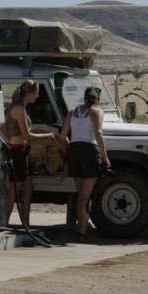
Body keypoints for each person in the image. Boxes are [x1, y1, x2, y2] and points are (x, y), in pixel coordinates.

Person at [59, 86, 111, 240]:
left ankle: (80, 226)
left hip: (74, 151)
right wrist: (105, 156)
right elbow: (98, 133)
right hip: (90, 152)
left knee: (80, 192)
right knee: (86, 196)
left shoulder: (72, 112)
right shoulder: (97, 112)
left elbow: (62, 136)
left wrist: (72, 145)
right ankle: (83, 231)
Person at [3, 80, 57, 226]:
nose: (38, 96)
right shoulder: (19, 109)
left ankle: (25, 223)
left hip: (21, 150)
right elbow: (27, 136)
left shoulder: (19, 108)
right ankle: (4, 224)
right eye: (37, 92)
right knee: (15, 190)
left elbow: (5, 129)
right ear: (30, 93)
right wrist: (46, 137)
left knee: (27, 186)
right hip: (17, 152)